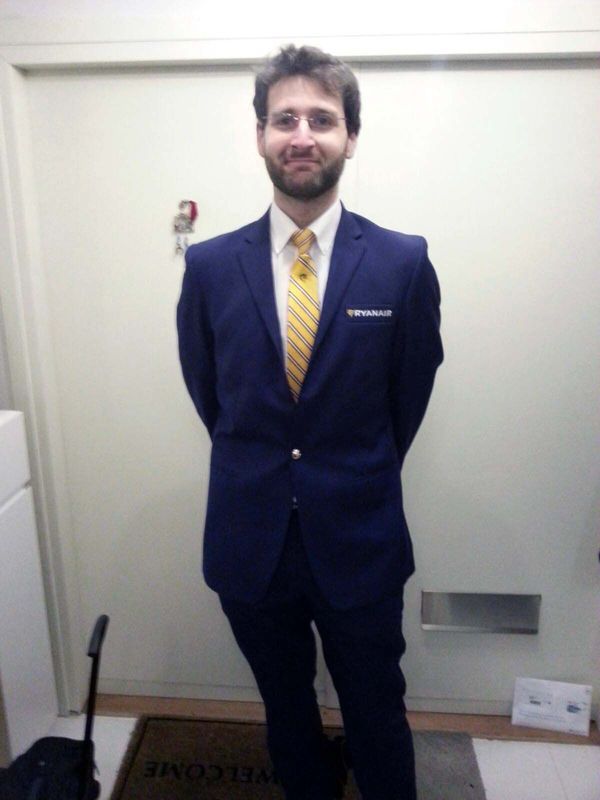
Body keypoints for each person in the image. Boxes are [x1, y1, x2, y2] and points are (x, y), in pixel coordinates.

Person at [177, 44, 443, 800]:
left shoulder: (401, 263)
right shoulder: (210, 267)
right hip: (250, 539)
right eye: (284, 119)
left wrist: (350, 467)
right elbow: (208, 391)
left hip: (359, 537)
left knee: (376, 709)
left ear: (350, 137)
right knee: (286, 708)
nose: (302, 135)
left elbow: (409, 394)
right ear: (260, 134)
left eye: (321, 120)